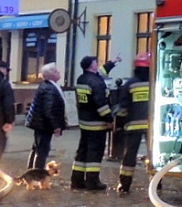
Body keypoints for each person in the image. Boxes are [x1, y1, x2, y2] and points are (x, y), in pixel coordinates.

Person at [72, 54, 120, 190]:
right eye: (95, 62)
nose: (97, 64)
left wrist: (113, 62)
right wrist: (110, 119)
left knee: (82, 151)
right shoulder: (96, 83)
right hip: (97, 124)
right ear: (92, 65)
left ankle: (77, 180)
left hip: (84, 122)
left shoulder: (82, 78)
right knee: (95, 153)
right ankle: (92, 182)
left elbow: (102, 71)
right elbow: (101, 105)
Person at [115, 52, 151, 193]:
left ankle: (125, 184)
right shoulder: (155, 82)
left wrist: (120, 124)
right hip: (152, 126)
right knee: (153, 155)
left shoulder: (130, 84)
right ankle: (156, 182)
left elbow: (123, 108)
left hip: (133, 126)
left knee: (129, 156)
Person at [25, 63, 67, 170]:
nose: (59, 73)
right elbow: (50, 110)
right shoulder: (50, 88)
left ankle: (31, 172)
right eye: (56, 71)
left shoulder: (48, 86)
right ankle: (37, 175)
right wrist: (56, 126)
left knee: (37, 148)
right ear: (50, 74)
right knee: (42, 150)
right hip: (44, 124)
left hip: (41, 123)